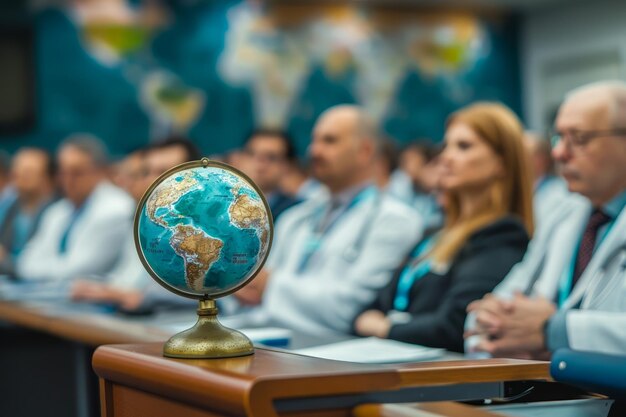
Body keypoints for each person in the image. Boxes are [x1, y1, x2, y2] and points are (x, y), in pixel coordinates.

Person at [353, 103, 533, 352]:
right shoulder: (435, 232)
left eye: (463, 146)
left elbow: (454, 325)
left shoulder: (502, 235)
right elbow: (371, 306)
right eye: (446, 145)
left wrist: (386, 328)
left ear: (501, 163)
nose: (445, 157)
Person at [465, 81, 626, 358]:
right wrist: (495, 326)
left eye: (579, 138)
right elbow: (488, 311)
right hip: (548, 388)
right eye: (558, 137)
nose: (558, 153)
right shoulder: (564, 212)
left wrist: (551, 330)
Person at [233, 105, 422, 335]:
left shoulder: (395, 220)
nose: (314, 151)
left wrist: (270, 286)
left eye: (329, 141)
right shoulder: (296, 217)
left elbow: (351, 310)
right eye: (314, 140)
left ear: (364, 151)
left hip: (331, 354)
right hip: (270, 338)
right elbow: (254, 293)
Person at [71, 138, 202, 311]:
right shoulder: (146, 222)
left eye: (165, 171)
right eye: (147, 172)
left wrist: (141, 297)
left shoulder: (210, 229)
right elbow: (126, 280)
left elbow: (216, 294)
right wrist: (103, 289)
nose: (153, 180)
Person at [16, 135, 135, 281]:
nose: (68, 180)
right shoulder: (57, 210)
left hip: (92, 301)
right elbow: (25, 263)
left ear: (99, 171)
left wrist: (40, 268)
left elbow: (78, 271)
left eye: (76, 173)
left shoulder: (116, 209)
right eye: (63, 172)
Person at [0, 148, 57, 276]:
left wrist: (5, 261)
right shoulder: (10, 207)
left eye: (28, 172)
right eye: (16, 171)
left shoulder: (58, 211)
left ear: (47, 177)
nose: (18, 176)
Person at [241, 129, 302, 221]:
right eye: (252, 154)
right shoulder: (225, 205)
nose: (259, 165)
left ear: (287, 165)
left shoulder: (297, 212)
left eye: (271, 157)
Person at [524, 131, 569, 227]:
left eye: (524, 155)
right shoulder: (525, 189)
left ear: (541, 159)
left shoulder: (560, 193)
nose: (518, 161)